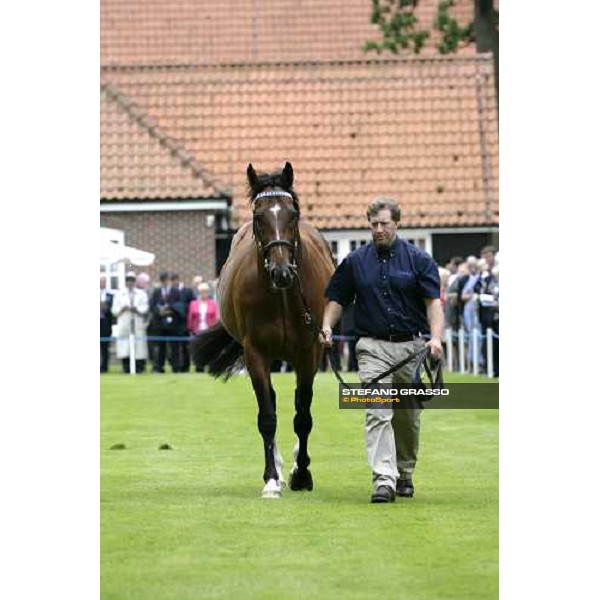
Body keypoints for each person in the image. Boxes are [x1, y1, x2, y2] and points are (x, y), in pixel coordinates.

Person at [320, 197, 444, 504]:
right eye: (373, 224)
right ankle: (383, 479)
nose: (378, 229)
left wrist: (436, 339)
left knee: (407, 417)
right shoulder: (354, 262)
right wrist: (326, 326)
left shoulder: (419, 260)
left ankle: (404, 472)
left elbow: (433, 304)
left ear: (397, 223)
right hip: (372, 347)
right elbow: (336, 299)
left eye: (384, 224)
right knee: (378, 412)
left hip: (412, 349)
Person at [111, 271, 149, 373]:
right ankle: (126, 367)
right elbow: (114, 310)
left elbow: (145, 307)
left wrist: (137, 309)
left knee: (139, 345)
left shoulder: (141, 293)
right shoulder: (119, 294)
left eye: (132, 280)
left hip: (137, 320)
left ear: (135, 281)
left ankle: (139, 367)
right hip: (124, 321)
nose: (130, 282)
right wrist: (122, 309)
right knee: (125, 345)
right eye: (128, 280)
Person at [149, 272, 185, 373]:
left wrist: (170, 310)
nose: (165, 282)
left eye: (166, 280)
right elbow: (152, 305)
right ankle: (159, 367)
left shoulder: (176, 291)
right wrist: (159, 311)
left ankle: (176, 367)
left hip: (173, 324)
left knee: (175, 346)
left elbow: (180, 305)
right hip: (160, 324)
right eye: (163, 280)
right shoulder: (156, 291)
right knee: (160, 346)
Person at [100, 275, 114, 373]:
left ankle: (104, 367)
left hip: (105, 324)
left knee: (105, 346)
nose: (102, 283)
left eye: (103, 281)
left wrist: (105, 308)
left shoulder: (111, 295)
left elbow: (112, 309)